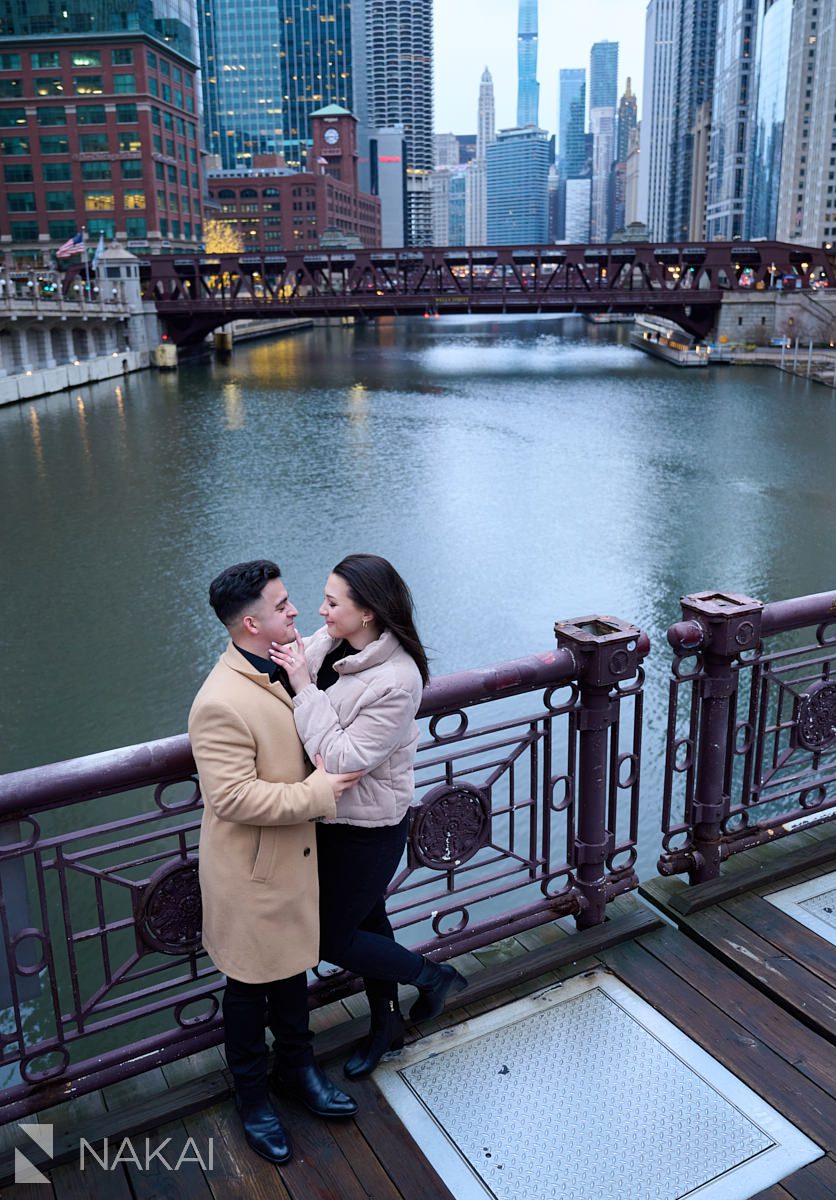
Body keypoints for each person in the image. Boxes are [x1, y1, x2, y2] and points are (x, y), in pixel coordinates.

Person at [189, 559, 362, 1166]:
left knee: (290, 975)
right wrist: (322, 792)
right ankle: (253, 1096)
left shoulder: (284, 664)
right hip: (251, 869)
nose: (295, 612)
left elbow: (336, 636)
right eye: (283, 604)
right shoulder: (219, 701)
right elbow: (231, 797)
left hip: (293, 857)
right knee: (247, 987)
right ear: (250, 623)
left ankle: (298, 1070)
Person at [269, 553, 467, 1080]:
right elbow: (287, 661)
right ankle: (387, 1025)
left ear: (369, 613)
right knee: (367, 925)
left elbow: (341, 758)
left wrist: (304, 690)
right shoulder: (337, 641)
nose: (321, 610)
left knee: (329, 938)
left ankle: (433, 976)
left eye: (332, 603)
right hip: (327, 818)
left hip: (369, 829)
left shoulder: (398, 681)